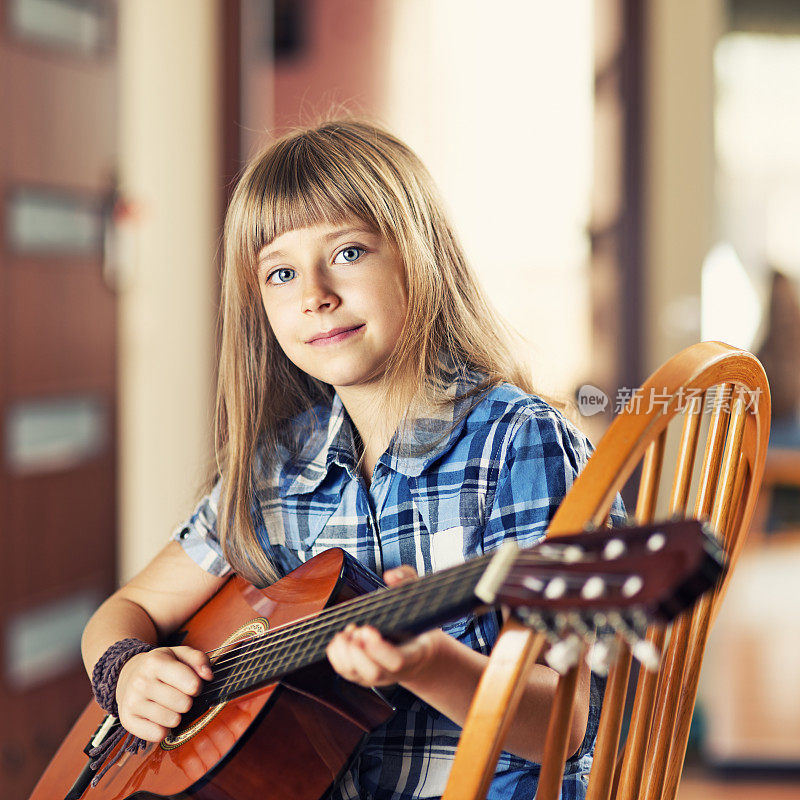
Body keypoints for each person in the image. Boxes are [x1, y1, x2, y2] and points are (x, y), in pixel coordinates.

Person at [81, 117, 624, 799]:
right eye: (281, 273)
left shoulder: (516, 444)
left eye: (347, 253)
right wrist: (127, 671)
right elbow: (122, 611)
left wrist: (425, 664)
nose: (315, 294)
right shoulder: (277, 468)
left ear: (419, 255)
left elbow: (565, 722)